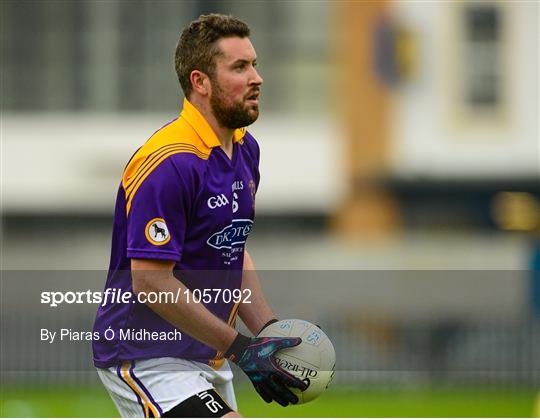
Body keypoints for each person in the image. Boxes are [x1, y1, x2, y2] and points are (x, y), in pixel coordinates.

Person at [92, 14, 307, 418]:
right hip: (146, 356)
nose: (257, 78)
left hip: (206, 356)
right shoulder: (169, 163)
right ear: (200, 82)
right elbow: (150, 281)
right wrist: (241, 348)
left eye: (254, 64)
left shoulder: (245, 150)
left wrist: (268, 335)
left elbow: (232, 250)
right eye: (240, 68)